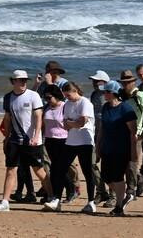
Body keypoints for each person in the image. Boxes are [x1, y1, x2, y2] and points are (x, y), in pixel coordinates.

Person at [0, 70, 44, 213]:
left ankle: (52, 197)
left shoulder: (33, 96)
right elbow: (7, 118)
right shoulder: (8, 97)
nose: (23, 82)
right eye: (20, 80)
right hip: (14, 140)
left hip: (31, 141)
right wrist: (7, 137)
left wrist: (36, 136)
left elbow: (38, 117)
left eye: (25, 80)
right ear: (13, 81)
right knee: (11, 170)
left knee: (38, 170)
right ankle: (5, 201)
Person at [98, 80, 138, 217]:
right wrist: (98, 146)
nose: (104, 94)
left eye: (106, 92)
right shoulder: (105, 107)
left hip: (121, 149)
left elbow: (133, 132)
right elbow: (102, 129)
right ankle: (124, 196)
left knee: (117, 177)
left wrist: (133, 152)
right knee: (106, 177)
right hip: (107, 147)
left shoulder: (126, 109)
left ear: (114, 93)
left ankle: (119, 206)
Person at [61, 81, 99, 213]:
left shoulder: (85, 103)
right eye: (65, 96)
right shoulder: (67, 104)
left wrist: (72, 123)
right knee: (61, 168)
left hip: (85, 141)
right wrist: (73, 123)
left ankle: (91, 202)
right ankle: (57, 198)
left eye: (68, 95)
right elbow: (65, 124)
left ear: (75, 91)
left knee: (87, 172)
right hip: (71, 141)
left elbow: (82, 122)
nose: (67, 98)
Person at [118, 69, 143, 200]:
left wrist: (142, 132)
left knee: (132, 162)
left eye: (128, 82)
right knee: (126, 162)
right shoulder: (121, 96)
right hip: (123, 133)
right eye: (123, 82)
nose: (125, 84)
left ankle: (131, 190)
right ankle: (141, 179)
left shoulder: (140, 95)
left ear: (133, 82)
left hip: (137, 134)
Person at [40, 85, 70, 211]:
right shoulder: (46, 107)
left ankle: (57, 197)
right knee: (54, 168)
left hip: (63, 140)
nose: (47, 100)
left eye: (49, 97)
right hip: (49, 140)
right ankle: (56, 196)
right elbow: (42, 124)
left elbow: (70, 124)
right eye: (45, 98)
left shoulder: (65, 107)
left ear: (57, 96)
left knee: (58, 169)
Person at [88, 71, 114, 205]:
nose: (94, 83)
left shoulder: (111, 96)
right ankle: (101, 191)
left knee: (109, 165)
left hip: (109, 135)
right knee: (92, 163)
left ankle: (113, 195)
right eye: (93, 81)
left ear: (105, 82)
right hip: (95, 134)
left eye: (97, 81)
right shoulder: (94, 94)